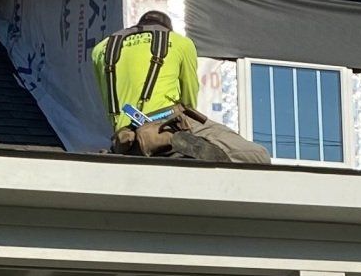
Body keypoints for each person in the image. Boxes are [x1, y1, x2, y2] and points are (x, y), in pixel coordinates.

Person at [88, 11, 270, 164]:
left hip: (125, 136)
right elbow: (189, 97)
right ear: (168, 28)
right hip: (167, 121)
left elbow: (107, 99)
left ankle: (155, 145)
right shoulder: (180, 42)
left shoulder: (100, 49)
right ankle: (181, 144)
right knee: (256, 155)